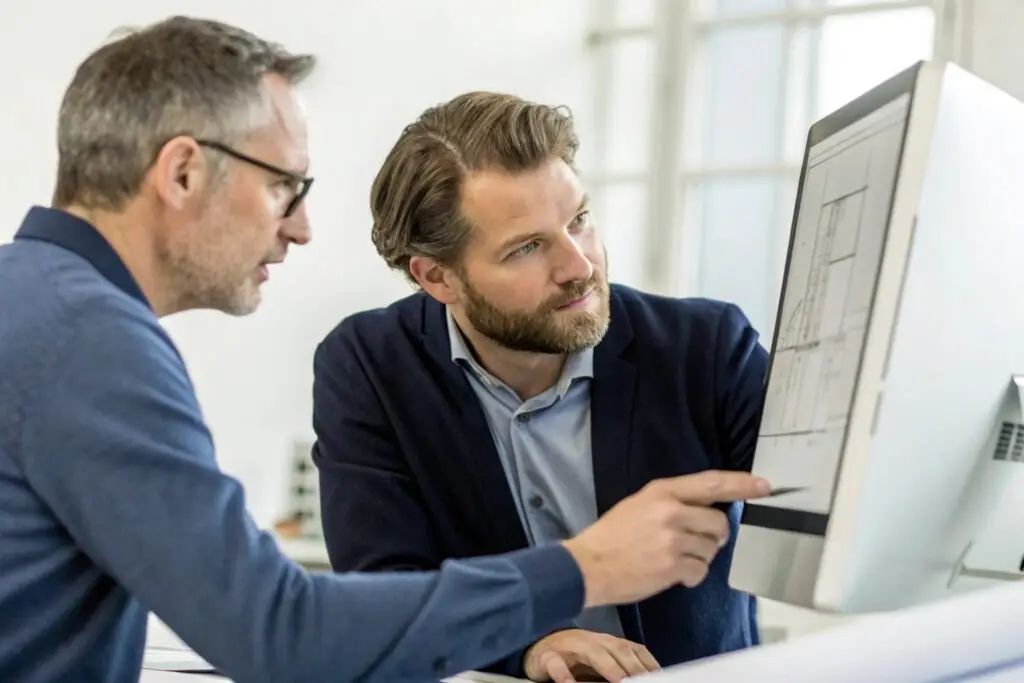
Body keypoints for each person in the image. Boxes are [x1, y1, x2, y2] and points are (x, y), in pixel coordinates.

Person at [0, 16, 774, 683]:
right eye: (284, 187)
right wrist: (587, 566)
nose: (300, 228)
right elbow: (279, 632)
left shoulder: (32, 300)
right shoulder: (87, 338)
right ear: (182, 172)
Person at [311, 91, 772, 683]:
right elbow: (385, 598)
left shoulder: (708, 347)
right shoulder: (368, 365)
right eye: (527, 247)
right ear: (436, 276)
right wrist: (530, 643)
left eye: (579, 219)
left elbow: (823, 502)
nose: (578, 265)